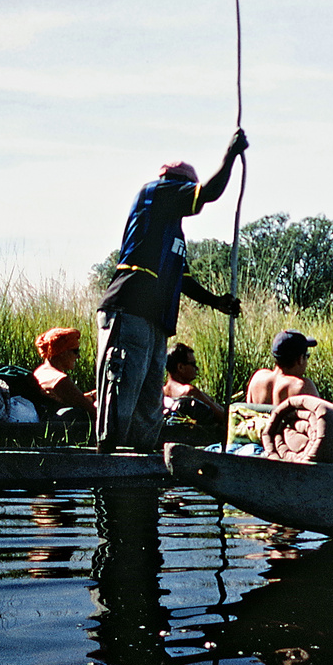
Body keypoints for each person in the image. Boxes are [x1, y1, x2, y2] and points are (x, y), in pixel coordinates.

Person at [95, 130, 246, 452]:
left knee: (149, 398)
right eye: (187, 190)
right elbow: (209, 192)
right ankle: (108, 458)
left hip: (155, 319)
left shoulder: (173, 232)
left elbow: (185, 281)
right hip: (129, 309)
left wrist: (218, 303)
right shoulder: (156, 193)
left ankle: (141, 460)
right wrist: (231, 154)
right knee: (121, 390)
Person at [245, 330, 320, 404]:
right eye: (307, 356)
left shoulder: (257, 377)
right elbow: (321, 414)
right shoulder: (302, 386)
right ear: (300, 359)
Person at [33, 327, 94, 414]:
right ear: (62, 352)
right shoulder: (60, 379)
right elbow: (91, 410)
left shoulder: (40, 371)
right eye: (75, 351)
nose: (78, 356)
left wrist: (92, 395)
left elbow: (73, 399)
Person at [163, 342, 221, 424]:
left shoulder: (160, 393)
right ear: (180, 367)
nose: (196, 368)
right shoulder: (188, 391)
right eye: (193, 364)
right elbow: (221, 415)